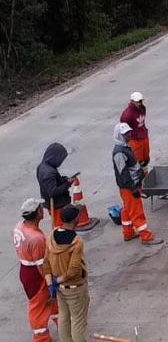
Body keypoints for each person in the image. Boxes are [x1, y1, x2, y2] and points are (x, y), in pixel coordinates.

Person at [13, 198, 58, 342]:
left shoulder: (20, 226)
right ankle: (41, 337)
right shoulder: (37, 238)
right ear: (37, 213)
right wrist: (50, 281)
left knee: (52, 301)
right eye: (40, 208)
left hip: (26, 269)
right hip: (36, 275)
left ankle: (62, 322)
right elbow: (42, 266)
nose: (42, 209)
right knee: (38, 305)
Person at [42, 205, 89, 342]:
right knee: (78, 322)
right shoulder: (76, 242)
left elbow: (46, 263)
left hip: (60, 290)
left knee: (63, 318)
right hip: (74, 288)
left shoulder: (51, 236)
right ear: (76, 219)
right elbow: (74, 270)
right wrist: (59, 280)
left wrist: (51, 283)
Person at [112, 123, 163, 245]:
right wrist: (132, 187)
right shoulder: (120, 152)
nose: (129, 135)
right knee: (137, 211)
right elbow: (123, 173)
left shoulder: (124, 147)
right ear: (120, 135)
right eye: (126, 134)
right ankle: (146, 237)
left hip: (130, 185)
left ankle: (128, 232)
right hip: (129, 186)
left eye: (129, 132)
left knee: (127, 208)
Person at [36, 143, 74, 227]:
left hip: (54, 204)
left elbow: (52, 183)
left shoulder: (41, 166)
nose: (61, 162)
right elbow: (53, 192)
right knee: (61, 228)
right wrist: (68, 184)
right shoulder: (49, 172)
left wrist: (63, 180)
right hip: (58, 206)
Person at [119, 92, 151, 169]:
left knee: (146, 158)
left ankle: (145, 172)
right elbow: (123, 127)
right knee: (138, 160)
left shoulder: (142, 108)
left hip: (143, 136)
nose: (139, 103)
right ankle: (140, 176)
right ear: (132, 101)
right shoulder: (127, 114)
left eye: (141, 101)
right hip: (135, 140)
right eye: (137, 101)